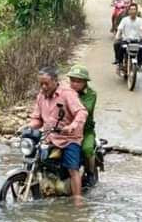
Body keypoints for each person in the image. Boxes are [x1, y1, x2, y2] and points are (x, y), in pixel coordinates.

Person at [28, 66, 88, 201]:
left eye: (46, 83)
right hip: (50, 137)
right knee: (37, 160)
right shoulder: (41, 96)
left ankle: (78, 200)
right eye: (41, 84)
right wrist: (28, 127)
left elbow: (81, 112)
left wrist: (72, 125)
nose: (43, 87)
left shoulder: (68, 94)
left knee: (73, 169)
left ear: (55, 81)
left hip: (69, 138)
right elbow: (37, 119)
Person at [67, 65, 98, 177]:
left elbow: (86, 109)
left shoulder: (91, 94)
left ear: (85, 82)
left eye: (78, 81)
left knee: (87, 149)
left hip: (85, 131)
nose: (74, 84)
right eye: (72, 80)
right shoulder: (64, 92)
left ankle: (90, 174)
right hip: (65, 131)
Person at [114, 2, 142, 71]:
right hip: (126, 40)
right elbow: (120, 29)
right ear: (129, 11)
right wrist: (117, 36)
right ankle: (120, 63)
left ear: (136, 11)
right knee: (119, 46)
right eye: (131, 9)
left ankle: (139, 64)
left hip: (137, 41)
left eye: (134, 9)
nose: (133, 11)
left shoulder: (140, 20)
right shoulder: (124, 20)